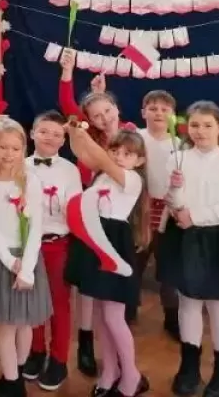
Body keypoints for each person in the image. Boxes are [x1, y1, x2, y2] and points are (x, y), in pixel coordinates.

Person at [157, 101, 219, 397]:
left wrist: (195, 216)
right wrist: (175, 191)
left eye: (208, 125)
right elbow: (173, 201)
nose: (200, 131)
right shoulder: (178, 159)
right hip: (185, 238)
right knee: (188, 303)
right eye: (195, 125)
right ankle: (189, 368)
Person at [58, 47, 137, 376]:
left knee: (109, 292)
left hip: (117, 218)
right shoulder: (88, 134)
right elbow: (68, 107)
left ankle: (120, 360)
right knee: (86, 285)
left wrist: (100, 96)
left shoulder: (130, 135)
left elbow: (131, 170)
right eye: (96, 116)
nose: (103, 118)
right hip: (87, 214)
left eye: (107, 111)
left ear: (116, 108)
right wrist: (67, 73)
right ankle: (85, 342)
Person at [65, 124, 151, 397]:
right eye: (116, 151)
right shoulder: (102, 174)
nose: (119, 157)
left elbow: (100, 158)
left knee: (114, 316)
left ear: (139, 161)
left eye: (127, 154)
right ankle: (110, 370)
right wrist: (73, 133)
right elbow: (83, 154)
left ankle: (132, 375)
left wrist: (86, 137)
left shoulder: (132, 179)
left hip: (114, 244)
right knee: (102, 315)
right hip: (95, 238)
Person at [0, 118, 52, 397]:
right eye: (3, 147)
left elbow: (36, 227)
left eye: (15, 148)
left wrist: (26, 269)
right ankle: (13, 380)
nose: (9, 154)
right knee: (3, 327)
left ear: (23, 149)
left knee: (20, 323)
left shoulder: (30, 180)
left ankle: (13, 381)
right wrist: (10, 262)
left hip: (27, 260)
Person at [23, 111, 81, 392]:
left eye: (57, 134)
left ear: (64, 140)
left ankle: (59, 358)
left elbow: (74, 211)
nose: (50, 137)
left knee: (59, 303)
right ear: (32, 133)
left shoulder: (70, 171)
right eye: (44, 131)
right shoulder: (20, 166)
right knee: (31, 301)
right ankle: (36, 351)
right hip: (26, 245)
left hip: (57, 244)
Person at [134, 89, 180, 337]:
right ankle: (128, 309)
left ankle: (172, 318)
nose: (158, 113)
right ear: (143, 113)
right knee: (134, 263)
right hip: (140, 209)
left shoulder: (180, 145)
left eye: (164, 109)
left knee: (169, 269)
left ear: (173, 114)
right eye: (153, 109)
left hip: (169, 213)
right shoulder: (136, 139)